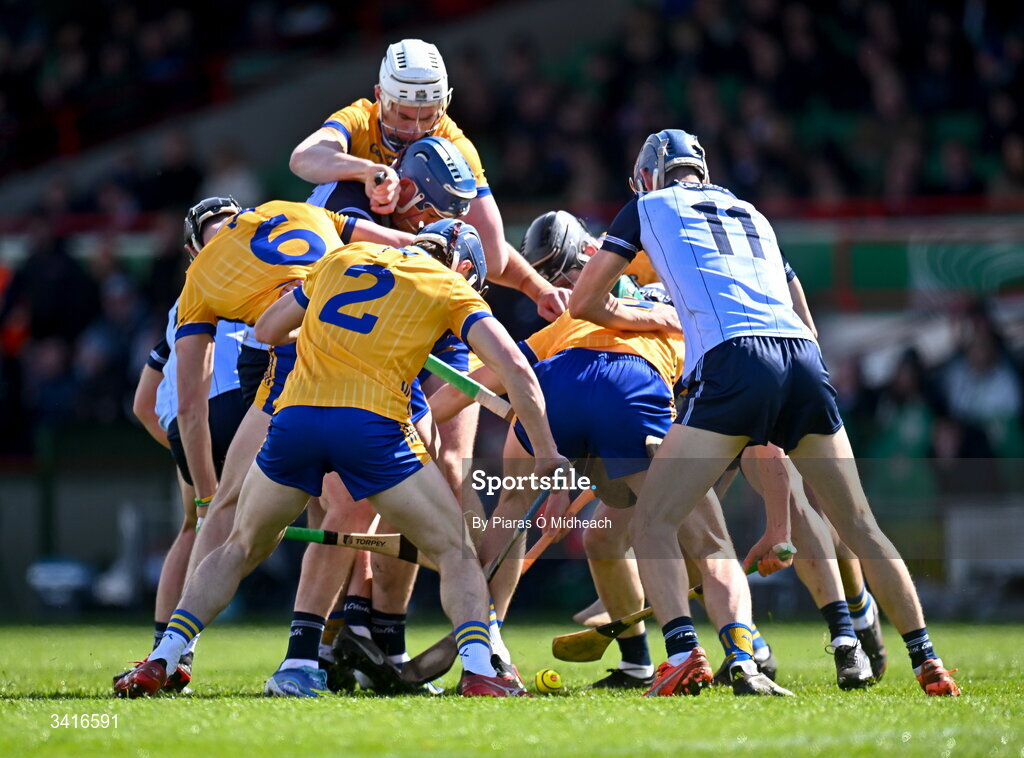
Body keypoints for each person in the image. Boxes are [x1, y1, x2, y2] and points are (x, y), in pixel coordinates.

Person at [568, 129, 961, 697]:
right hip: (801, 358)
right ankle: (927, 662)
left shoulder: (646, 206)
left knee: (655, 520)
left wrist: (654, 321)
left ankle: (682, 653)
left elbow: (584, 302)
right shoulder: (751, 212)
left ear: (649, 175)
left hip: (732, 362)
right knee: (860, 524)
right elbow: (806, 319)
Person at [116, 220, 569, 699]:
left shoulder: (339, 259)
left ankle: (165, 656)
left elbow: (268, 328)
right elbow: (514, 366)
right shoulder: (451, 286)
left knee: (239, 546)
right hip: (372, 429)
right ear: (463, 267)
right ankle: (482, 671)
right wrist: (546, 451)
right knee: (455, 551)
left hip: (295, 420)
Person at [111, 196, 413, 696]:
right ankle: (330, 646)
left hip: (264, 387)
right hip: (342, 365)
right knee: (351, 509)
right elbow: (387, 243)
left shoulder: (200, 276)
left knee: (219, 520)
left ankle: (170, 652)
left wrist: (205, 486)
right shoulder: (294, 209)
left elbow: (173, 406)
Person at [114, 303, 246, 695]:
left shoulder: (183, 306)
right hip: (236, 410)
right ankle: (318, 650)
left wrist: (189, 451)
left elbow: (143, 404)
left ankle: (166, 654)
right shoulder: (262, 280)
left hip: (186, 425)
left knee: (194, 529)